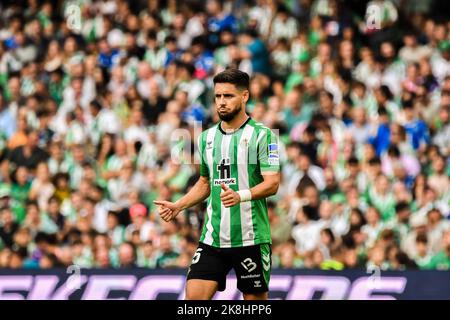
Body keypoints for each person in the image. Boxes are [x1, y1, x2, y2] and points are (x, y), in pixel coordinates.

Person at [154, 69, 280, 300]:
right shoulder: (206, 138)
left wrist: (240, 196)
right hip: (213, 238)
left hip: (250, 238)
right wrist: (179, 205)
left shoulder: (264, 136)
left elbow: (272, 184)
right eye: (218, 96)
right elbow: (205, 182)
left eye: (228, 96)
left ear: (245, 97)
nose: (221, 102)